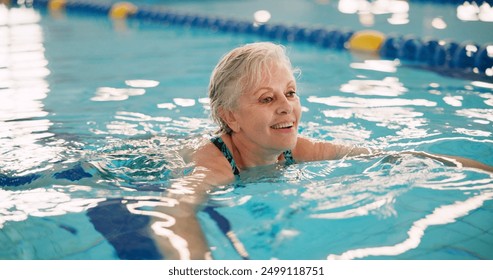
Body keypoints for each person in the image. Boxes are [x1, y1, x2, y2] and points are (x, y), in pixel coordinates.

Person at [151, 42, 493, 260]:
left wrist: (477, 169)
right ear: (230, 117)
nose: (286, 107)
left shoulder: (299, 149)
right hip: (143, 166)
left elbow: (386, 157)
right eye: (267, 98)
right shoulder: (214, 165)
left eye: (290, 92)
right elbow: (172, 215)